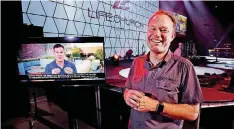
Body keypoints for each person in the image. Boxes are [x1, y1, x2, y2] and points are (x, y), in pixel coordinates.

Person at [123, 10, 204, 129]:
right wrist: (126, 95)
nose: (156, 34)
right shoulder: (137, 62)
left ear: (172, 36)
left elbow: (193, 113)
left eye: (163, 30)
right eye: (152, 28)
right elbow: (127, 89)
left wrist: (157, 106)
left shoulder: (185, 67)